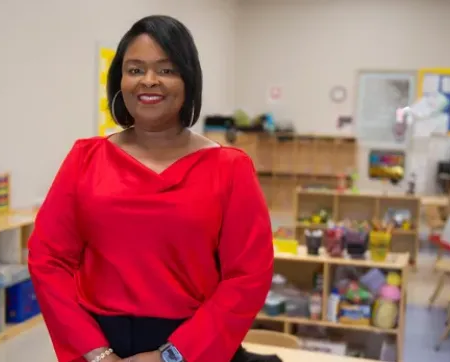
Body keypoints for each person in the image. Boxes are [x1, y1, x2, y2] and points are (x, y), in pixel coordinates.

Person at [28, 15, 274, 362]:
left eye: (167, 69)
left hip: (194, 344)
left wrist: (171, 356)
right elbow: (48, 260)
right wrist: (97, 353)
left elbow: (248, 276)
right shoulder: (85, 159)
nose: (150, 81)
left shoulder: (230, 168)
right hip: (98, 340)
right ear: (119, 81)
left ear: (189, 79)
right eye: (135, 69)